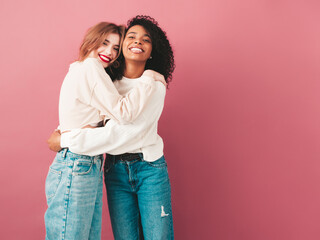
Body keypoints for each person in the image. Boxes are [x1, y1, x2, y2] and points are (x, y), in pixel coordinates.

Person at [48, 15, 176, 239]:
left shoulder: (153, 85)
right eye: (132, 37)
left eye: (145, 40)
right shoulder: (109, 81)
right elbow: (87, 110)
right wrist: (66, 128)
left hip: (148, 169)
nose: (137, 42)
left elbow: (118, 134)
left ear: (153, 50)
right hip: (113, 168)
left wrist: (65, 139)